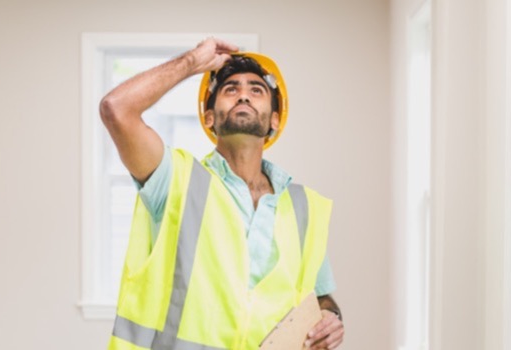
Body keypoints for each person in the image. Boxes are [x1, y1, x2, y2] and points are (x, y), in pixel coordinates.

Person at [100, 37, 344, 350]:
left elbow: (321, 297)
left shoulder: (304, 207)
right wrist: (192, 63)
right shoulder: (176, 180)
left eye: (256, 90)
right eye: (231, 90)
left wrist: (332, 318)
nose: (244, 96)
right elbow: (116, 109)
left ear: (273, 120)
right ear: (210, 117)